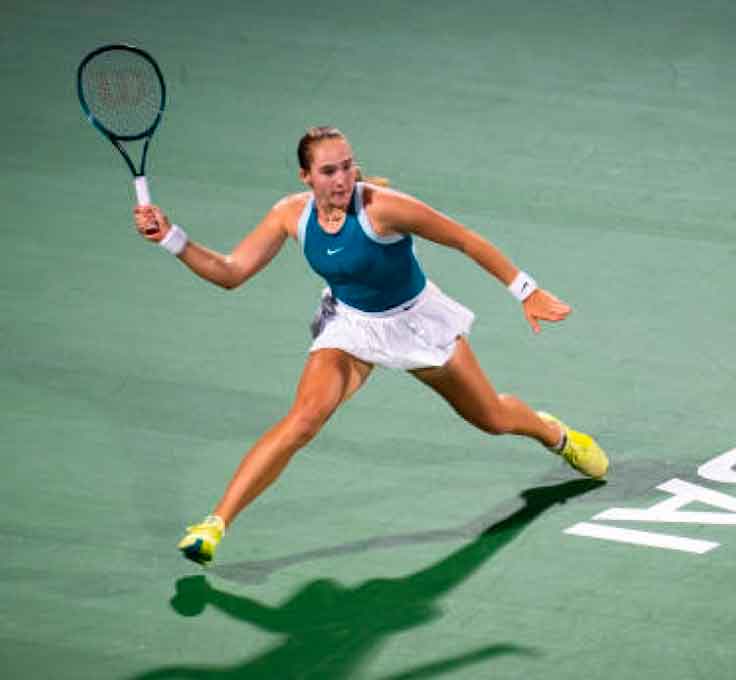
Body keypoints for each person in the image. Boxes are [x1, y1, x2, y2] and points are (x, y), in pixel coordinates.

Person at [132, 126, 609, 566]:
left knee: (493, 418)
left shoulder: (383, 208)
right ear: (305, 176)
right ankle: (214, 525)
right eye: (328, 171)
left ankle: (555, 435)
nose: (342, 179)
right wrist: (171, 238)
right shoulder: (289, 215)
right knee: (303, 420)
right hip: (350, 327)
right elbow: (231, 273)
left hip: (416, 323)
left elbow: (464, 240)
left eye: (347, 166)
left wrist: (527, 291)